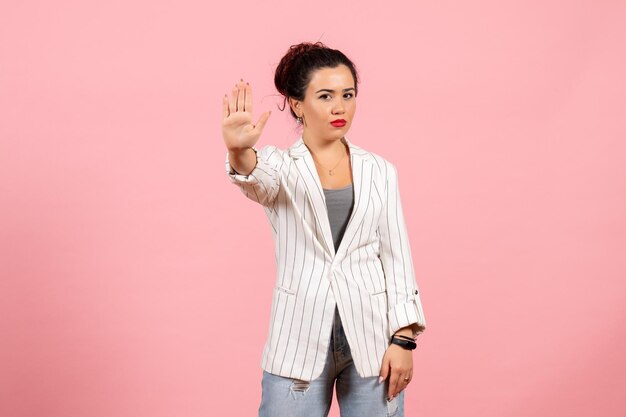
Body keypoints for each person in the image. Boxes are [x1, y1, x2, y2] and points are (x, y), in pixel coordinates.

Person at [221, 41, 426, 417]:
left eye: (348, 95)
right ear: (297, 105)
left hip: (373, 340)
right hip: (298, 338)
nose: (339, 107)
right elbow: (254, 177)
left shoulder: (380, 171)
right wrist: (238, 152)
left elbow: (397, 257)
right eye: (326, 95)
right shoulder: (280, 167)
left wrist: (404, 339)